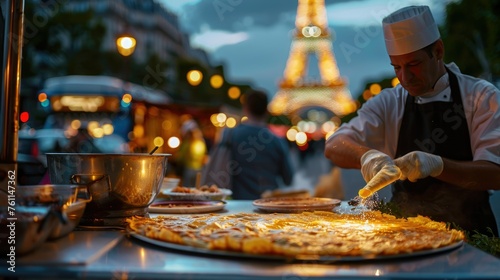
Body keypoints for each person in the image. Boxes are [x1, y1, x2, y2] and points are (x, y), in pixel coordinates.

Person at [324, 5, 500, 236]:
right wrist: (367, 157)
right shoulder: (389, 102)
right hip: (404, 232)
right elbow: (334, 145)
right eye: (397, 67)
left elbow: (495, 174)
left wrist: (438, 166)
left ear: (438, 51)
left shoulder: (481, 97)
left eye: (413, 65)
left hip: (472, 234)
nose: (405, 77)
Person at [222, 89, 294, 200]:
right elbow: (288, 179)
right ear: (266, 110)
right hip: (268, 204)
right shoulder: (277, 141)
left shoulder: (231, 135)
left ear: (245, 109)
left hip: (239, 203)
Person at [174, 115, 208, 188]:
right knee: (197, 189)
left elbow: (180, 157)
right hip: (200, 170)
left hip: (189, 170)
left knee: (187, 189)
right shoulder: (202, 142)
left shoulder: (187, 143)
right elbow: (204, 156)